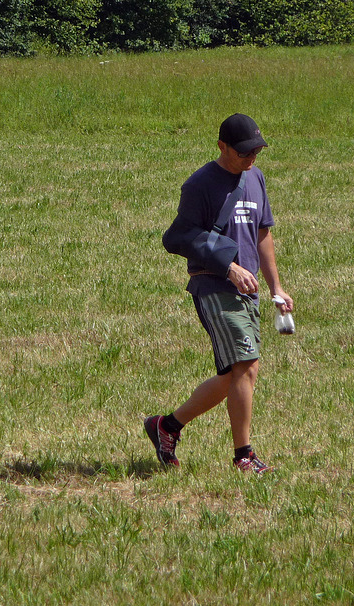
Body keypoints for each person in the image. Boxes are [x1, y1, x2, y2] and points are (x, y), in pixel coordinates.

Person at [146, 113, 293, 474]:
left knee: (235, 375)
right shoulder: (199, 184)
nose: (251, 158)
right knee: (246, 363)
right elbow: (178, 237)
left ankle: (168, 425)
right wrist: (228, 266)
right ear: (221, 147)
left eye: (256, 151)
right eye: (243, 153)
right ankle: (244, 456)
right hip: (213, 285)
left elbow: (262, 234)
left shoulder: (255, 178)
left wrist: (276, 286)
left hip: (249, 290)